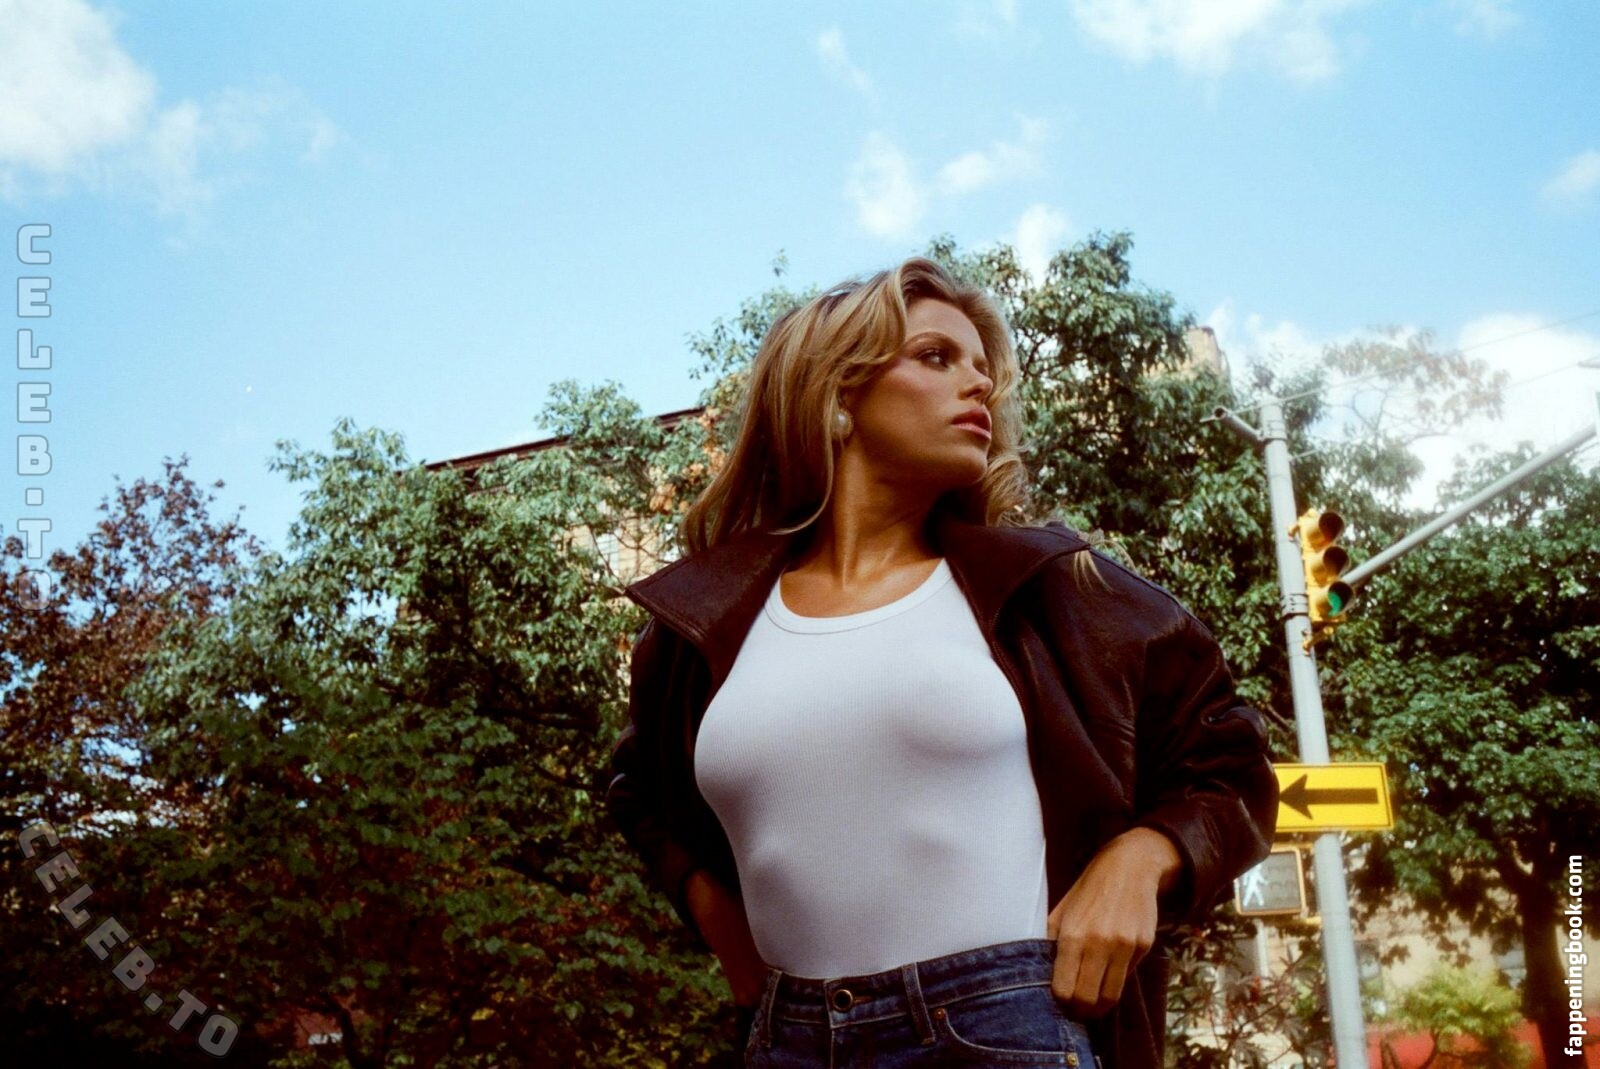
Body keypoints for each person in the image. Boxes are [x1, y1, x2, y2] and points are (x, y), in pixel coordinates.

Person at [605, 257, 1278, 1068]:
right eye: (936, 356)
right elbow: (637, 788)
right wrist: (708, 901)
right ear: (838, 394)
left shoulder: (1053, 588)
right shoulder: (704, 625)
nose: (979, 384)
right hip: (787, 1039)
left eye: (983, 367)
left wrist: (1144, 854)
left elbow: (1230, 758)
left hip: (1004, 1025)